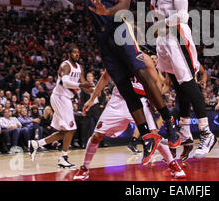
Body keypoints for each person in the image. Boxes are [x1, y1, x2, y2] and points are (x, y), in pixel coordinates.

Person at [54, 0, 180, 164]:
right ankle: (147, 135)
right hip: (103, 40)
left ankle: (170, 122)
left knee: (142, 74)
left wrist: (106, 11)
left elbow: (124, 6)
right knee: (124, 86)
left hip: (121, 31)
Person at [129, 0, 216, 158]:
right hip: (162, 38)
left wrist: (157, 23)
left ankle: (207, 133)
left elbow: (181, 17)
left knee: (189, 82)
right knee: (178, 85)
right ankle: (186, 131)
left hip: (176, 34)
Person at [73, 52, 186, 180]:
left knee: (153, 136)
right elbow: (105, 77)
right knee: (97, 136)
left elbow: (156, 83)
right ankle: (84, 168)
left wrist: (155, 101)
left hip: (140, 101)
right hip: (118, 100)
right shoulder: (116, 56)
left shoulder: (145, 59)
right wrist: (92, 99)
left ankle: (173, 164)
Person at [28, 46, 94, 168]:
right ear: (69, 54)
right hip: (59, 97)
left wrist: (94, 90)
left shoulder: (80, 68)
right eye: (74, 52)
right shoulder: (65, 65)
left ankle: (36, 144)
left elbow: (84, 85)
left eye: (78, 52)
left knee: (64, 131)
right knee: (72, 128)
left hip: (66, 98)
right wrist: (81, 84)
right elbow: (65, 82)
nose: (77, 54)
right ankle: (63, 157)